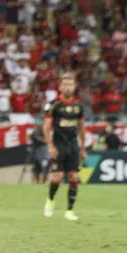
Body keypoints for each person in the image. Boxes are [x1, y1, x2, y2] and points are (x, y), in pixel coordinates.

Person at [43, 73, 86, 220]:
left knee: (74, 177)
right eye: (65, 84)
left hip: (73, 144)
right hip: (58, 144)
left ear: (74, 87)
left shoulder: (78, 105)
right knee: (57, 177)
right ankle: (50, 200)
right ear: (60, 87)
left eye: (71, 84)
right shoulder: (53, 104)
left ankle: (69, 211)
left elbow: (81, 127)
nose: (68, 87)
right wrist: (50, 146)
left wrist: (83, 147)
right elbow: (46, 127)